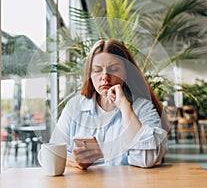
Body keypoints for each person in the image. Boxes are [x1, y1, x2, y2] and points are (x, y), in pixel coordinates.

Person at [50, 39, 169, 169]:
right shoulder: (75, 106)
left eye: (113, 69)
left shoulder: (142, 107)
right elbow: (50, 153)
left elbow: (146, 159)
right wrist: (75, 161)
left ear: (126, 72)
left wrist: (124, 106)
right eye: (97, 70)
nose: (105, 77)